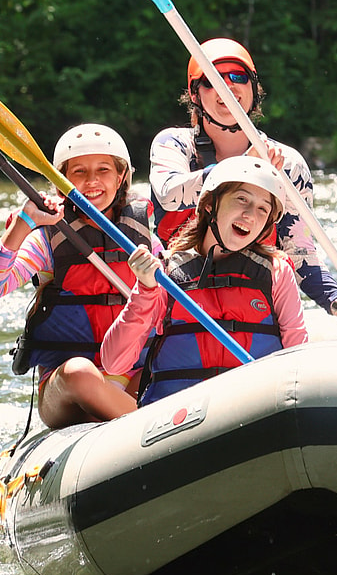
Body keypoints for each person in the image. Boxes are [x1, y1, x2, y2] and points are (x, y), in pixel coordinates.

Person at [149, 37, 337, 329]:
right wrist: (240, 169)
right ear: (195, 95)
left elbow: (300, 253)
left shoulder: (287, 164)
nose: (227, 86)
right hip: (181, 310)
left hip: (253, 311)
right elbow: (167, 195)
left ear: (254, 90)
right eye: (212, 80)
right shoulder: (174, 144)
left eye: (238, 77)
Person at [0, 123, 151, 428]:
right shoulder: (49, 237)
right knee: (80, 371)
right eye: (78, 172)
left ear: (121, 177)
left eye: (103, 170)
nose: (91, 181)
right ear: (61, 182)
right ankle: (148, 426)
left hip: (134, 376)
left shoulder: (145, 232)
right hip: (67, 388)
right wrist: (24, 224)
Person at [102, 156, 308, 405]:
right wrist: (145, 290)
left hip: (251, 407)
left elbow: (298, 355)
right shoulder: (164, 274)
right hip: (179, 415)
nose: (250, 215)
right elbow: (114, 362)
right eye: (242, 199)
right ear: (211, 205)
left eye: (263, 209)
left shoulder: (276, 271)